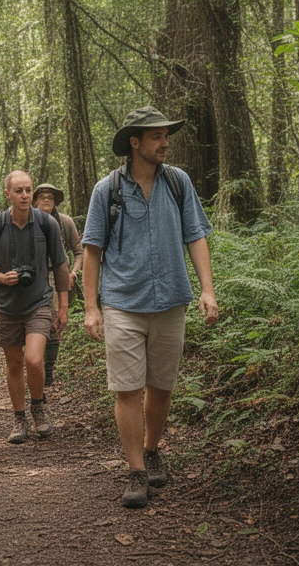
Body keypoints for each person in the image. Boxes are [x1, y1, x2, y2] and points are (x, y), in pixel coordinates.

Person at [80, 106, 218, 509]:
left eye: (165, 135)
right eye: (156, 136)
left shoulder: (178, 183)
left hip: (171, 300)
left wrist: (207, 289)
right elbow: (92, 250)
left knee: (161, 387)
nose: (165, 143)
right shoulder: (107, 190)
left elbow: (196, 235)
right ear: (135, 142)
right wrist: (91, 307)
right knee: (127, 389)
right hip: (123, 301)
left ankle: (153, 449)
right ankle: (136, 471)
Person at [0, 171, 70, 444]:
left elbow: (61, 265)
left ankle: (38, 405)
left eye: (28, 190)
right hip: (7, 305)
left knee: (33, 359)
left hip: (39, 302)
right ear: (7, 194)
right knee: (14, 363)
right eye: (18, 191)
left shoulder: (47, 223)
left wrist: (63, 306)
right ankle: (19, 417)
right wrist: (1, 277)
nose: (25, 195)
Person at [32, 183, 82, 387]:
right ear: (35, 200)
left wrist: (73, 273)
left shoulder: (65, 222)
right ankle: (35, 364)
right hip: (35, 278)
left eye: (50, 198)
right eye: (42, 196)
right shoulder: (29, 220)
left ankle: (48, 369)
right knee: (35, 322)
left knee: (55, 323)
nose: (46, 200)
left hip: (57, 276)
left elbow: (79, 250)